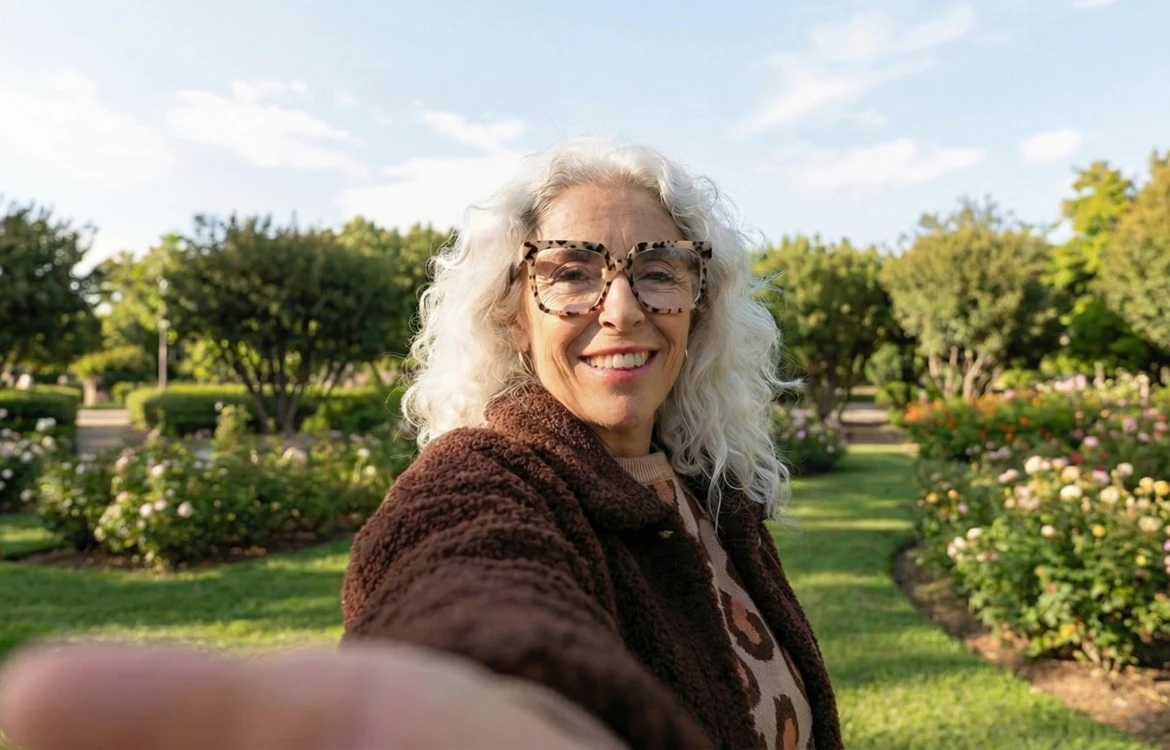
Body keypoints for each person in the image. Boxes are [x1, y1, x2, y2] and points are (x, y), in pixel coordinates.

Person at [0, 138, 840, 750]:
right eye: (572, 271)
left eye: (657, 269)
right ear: (511, 311)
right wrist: (502, 691)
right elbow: (464, 574)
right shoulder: (487, 474)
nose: (620, 306)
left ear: (699, 305)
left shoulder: (710, 487)